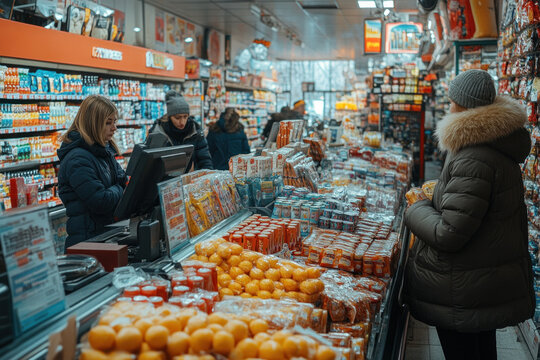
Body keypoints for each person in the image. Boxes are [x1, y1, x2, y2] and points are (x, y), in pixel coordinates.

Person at [404, 70, 534, 360]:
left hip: (463, 286)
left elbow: (448, 233)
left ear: (464, 106)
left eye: (451, 102)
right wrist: (440, 193)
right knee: (482, 351)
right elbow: (475, 204)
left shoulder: (474, 155)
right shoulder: (494, 144)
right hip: (482, 281)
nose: (448, 107)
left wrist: (416, 208)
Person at [57, 95, 127, 248]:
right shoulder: (78, 159)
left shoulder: (103, 151)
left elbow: (122, 179)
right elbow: (100, 201)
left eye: (114, 122)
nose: (114, 128)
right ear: (92, 124)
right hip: (87, 242)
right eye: (108, 123)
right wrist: (121, 188)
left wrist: (120, 186)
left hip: (103, 236)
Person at [147, 90, 213, 171]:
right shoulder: (158, 132)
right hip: (165, 181)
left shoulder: (195, 131)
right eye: (177, 118)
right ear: (170, 116)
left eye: (185, 117)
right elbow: (151, 164)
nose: (182, 122)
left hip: (192, 180)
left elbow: (205, 160)